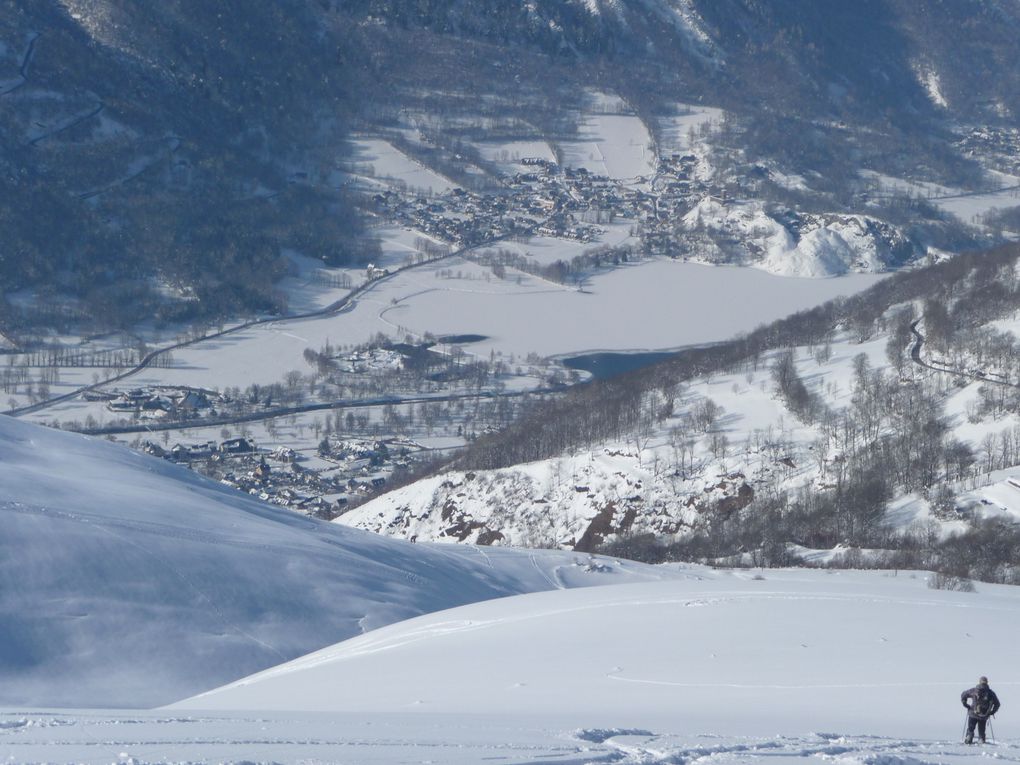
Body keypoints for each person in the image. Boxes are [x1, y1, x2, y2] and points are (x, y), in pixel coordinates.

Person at [961, 676, 1001, 744]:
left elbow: (963, 695)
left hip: (973, 713)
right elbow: (997, 704)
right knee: (981, 730)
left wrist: (965, 704)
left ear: (979, 682)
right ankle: (981, 740)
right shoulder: (990, 693)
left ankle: (969, 738)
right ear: (987, 682)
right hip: (984, 715)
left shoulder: (974, 690)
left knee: (971, 728)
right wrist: (991, 712)